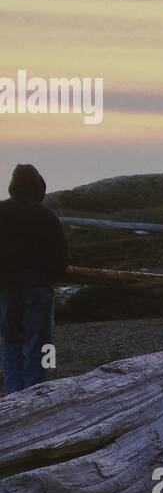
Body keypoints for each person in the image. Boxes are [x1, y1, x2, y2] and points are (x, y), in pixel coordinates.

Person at [0, 163, 68, 394]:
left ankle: (12, 394)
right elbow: (61, 258)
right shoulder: (48, 217)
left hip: (7, 289)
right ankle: (35, 393)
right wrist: (51, 277)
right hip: (38, 287)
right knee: (41, 343)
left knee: (11, 340)